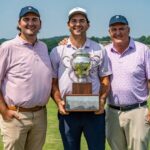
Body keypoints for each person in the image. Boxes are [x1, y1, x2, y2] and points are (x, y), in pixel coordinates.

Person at [50, 7, 112, 150]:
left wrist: (102, 101)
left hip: (95, 112)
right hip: (68, 111)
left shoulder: (99, 49)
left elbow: (105, 79)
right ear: (68, 24)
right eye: (74, 21)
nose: (78, 24)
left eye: (82, 21)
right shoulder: (58, 51)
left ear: (88, 25)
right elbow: (53, 82)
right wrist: (59, 102)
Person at [0, 6, 52, 150]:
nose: (31, 23)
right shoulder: (8, 47)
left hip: (40, 115)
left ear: (40, 23)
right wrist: (4, 111)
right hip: (16, 116)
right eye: (26, 19)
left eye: (34, 19)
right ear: (19, 23)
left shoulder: (43, 47)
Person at [105, 15, 150, 150]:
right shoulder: (104, 52)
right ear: (109, 32)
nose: (118, 32)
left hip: (138, 111)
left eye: (121, 28)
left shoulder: (143, 50)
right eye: (114, 29)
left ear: (128, 30)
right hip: (112, 112)